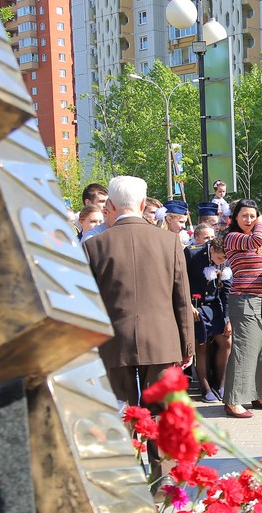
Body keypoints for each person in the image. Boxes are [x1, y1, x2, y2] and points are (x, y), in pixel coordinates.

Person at [83, 175, 195, 408]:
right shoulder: (169, 242)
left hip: (113, 341)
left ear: (110, 205)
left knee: (121, 413)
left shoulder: (93, 245)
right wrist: (187, 346)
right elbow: (182, 298)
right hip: (161, 340)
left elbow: (88, 302)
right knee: (161, 413)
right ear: (143, 204)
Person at [222, 200, 262, 418]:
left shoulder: (259, 237)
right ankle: (233, 400)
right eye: (244, 216)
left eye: (252, 216)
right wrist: (261, 221)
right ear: (235, 218)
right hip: (244, 299)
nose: (249, 220)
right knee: (245, 350)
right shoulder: (232, 237)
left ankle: (259, 394)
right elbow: (256, 240)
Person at [185, 236, 231, 403]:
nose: (222, 261)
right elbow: (181, 280)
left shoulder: (226, 257)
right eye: (219, 258)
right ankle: (205, 389)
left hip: (215, 306)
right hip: (196, 306)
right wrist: (189, 304)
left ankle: (220, 385)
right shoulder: (192, 253)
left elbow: (227, 290)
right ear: (211, 250)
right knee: (202, 346)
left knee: (226, 342)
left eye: (225, 258)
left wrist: (228, 318)